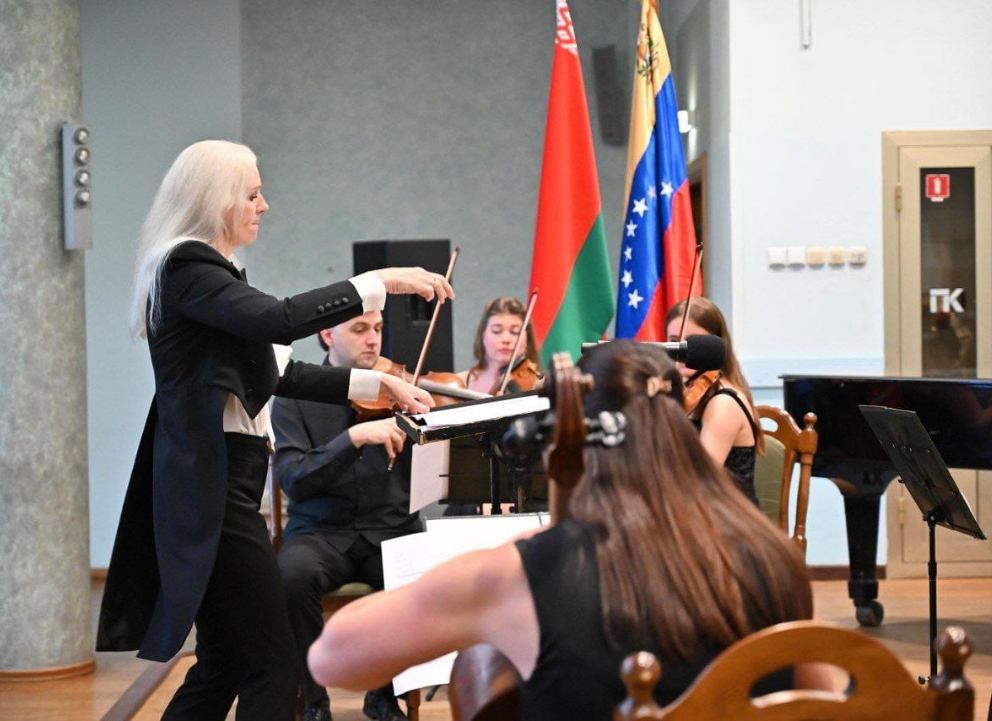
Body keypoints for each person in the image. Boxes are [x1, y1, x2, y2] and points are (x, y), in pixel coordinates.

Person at [95, 139, 453, 721]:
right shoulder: (188, 266)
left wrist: (379, 387)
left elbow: (278, 368)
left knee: (227, 662)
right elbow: (282, 321)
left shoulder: (207, 274)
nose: (265, 205)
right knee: (272, 661)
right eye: (254, 193)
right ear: (217, 200)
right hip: (213, 490)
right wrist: (379, 279)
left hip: (220, 483)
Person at [306, 341, 828, 719]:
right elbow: (830, 700)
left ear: (563, 443)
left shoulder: (526, 573)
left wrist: (497, 573)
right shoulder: (772, 555)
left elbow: (333, 660)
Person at [273, 311, 417, 721]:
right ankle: (314, 701)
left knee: (413, 575)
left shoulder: (401, 390)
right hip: (321, 532)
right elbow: (293, 478)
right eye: (359, 329)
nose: (372, 339)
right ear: (326, 333)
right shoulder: (293, 396)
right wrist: (352, 438)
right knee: (290, 577)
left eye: (378, 329)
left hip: (390, 528)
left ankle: (385, 695)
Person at [665, 297, 763, 505]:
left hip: (729, 524)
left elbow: (697, 485)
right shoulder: (684, 392)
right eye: (674, 343)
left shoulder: (723, 403)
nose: (681, 352)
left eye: (692, 343)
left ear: (714, 346)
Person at [456, 296, 541, 395]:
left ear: (527, 337)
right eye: (496, 331)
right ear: (483, 334)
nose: (506, 339)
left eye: (515, 332)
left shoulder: (539, 384)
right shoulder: (459, 382)